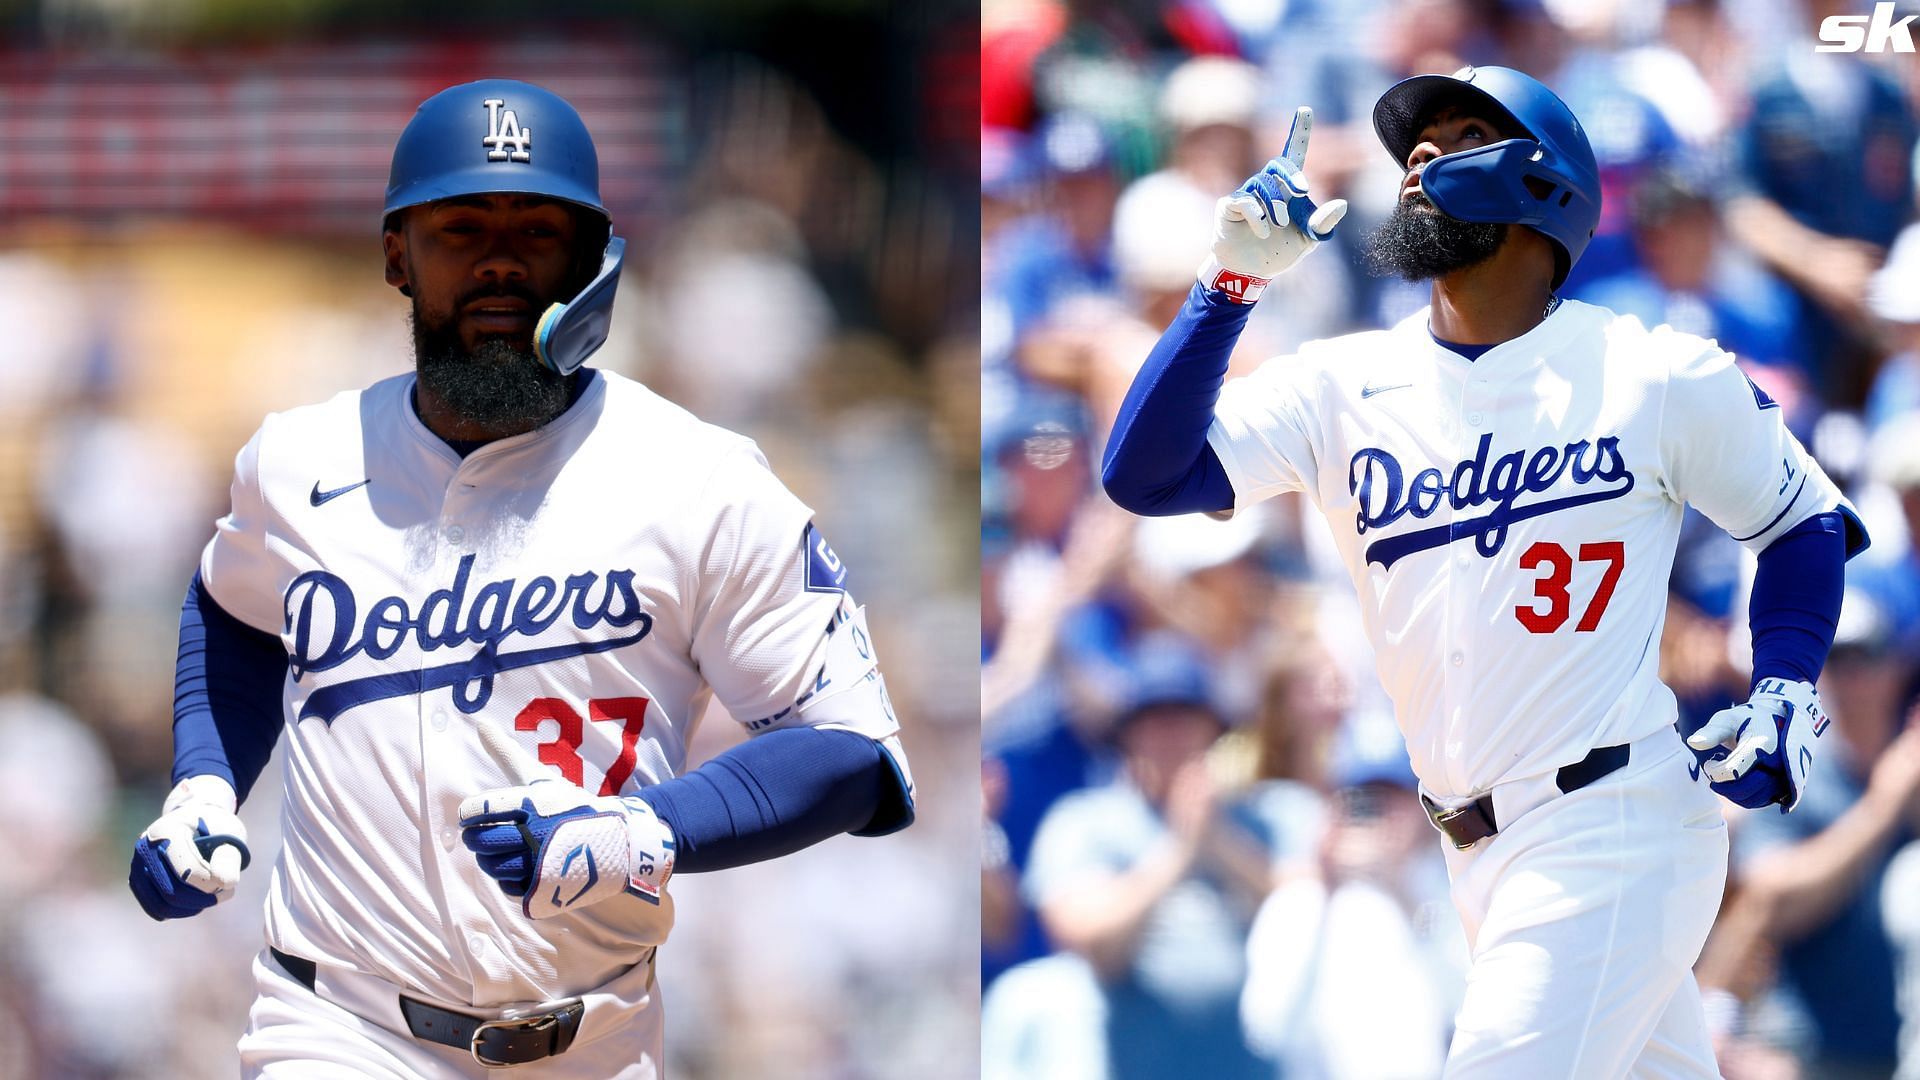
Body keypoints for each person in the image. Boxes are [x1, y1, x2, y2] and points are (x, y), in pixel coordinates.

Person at [125, 79, 914, 1078]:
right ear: (395, 256)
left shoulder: (700, 482)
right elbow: (232, 606)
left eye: (537, 230)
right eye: (461, 228)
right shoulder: (296, 464)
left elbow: (848, 751)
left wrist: (644, 829)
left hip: (596, 1040)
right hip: (340, 1028)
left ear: (593, 263)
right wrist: (206, 781)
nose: (499, 259)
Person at [1102, 64, 1866, 1076]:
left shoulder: (1654, 371)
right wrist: (1228, 284)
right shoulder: (1341, 383)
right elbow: (1144, 475)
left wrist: (1783, 684)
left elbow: (1804, 518)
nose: (1417, 158)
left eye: (1459, 136)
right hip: (1475, 856)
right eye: (1412, 145)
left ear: (1546, 185)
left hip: (1614, 823)